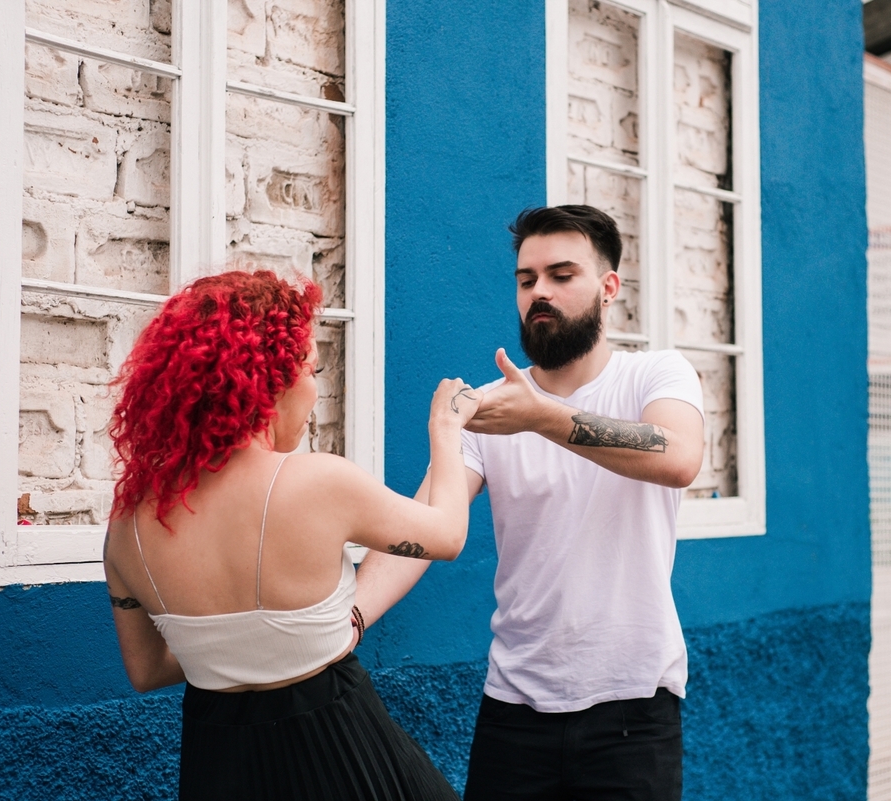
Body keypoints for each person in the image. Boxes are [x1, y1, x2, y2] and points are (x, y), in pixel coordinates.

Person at [356, 205, 705, 801]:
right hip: (513, 709)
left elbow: (678, 458)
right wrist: (349, 620)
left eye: (562, 275)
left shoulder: (654, 375)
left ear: (608, 287)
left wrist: (543, 418)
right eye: (526, 279)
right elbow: (422, 529)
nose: (539, 292)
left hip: (633, 709)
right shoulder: (489, 409)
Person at [102, 270, 478, 801]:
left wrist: (243, 646)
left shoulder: (128, 527)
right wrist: (446, 428)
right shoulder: (316, 481)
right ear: (270, 377)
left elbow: (146, 670)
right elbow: (447, 534)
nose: (314, 388)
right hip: (342, 755)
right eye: (312, 368)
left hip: (220, 766)